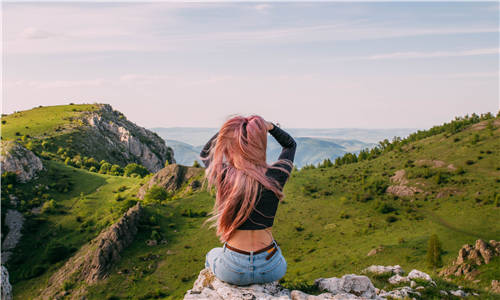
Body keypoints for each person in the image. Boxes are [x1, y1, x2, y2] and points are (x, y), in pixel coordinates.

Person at [198, 115, 297, 286]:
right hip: (271, 267)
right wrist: (270, 127)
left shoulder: (226, 177)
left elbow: (206, 154)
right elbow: (290, 145)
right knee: (278, 255)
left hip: (232, 269)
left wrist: (228, 130)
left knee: (212, 255)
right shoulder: (276, 176)